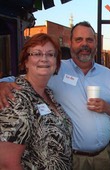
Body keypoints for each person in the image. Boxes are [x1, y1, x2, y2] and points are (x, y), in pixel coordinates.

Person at [0, 21, 110, 170]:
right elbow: (23, 79)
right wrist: (2, 85)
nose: (84, 44)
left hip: (103, 156)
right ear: (71, 43)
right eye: (79, 39)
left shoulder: (108, 75)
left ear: (95, 44)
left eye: (89, 40)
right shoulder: (55, 68)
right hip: (72, 158)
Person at [0, 33, 73, 169]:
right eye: (37, 54)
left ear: (56, 63)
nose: (44, 59)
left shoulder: (49, 94)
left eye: (50, 54)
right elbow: (6, 164)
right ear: (26, 61)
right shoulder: (16, 99)